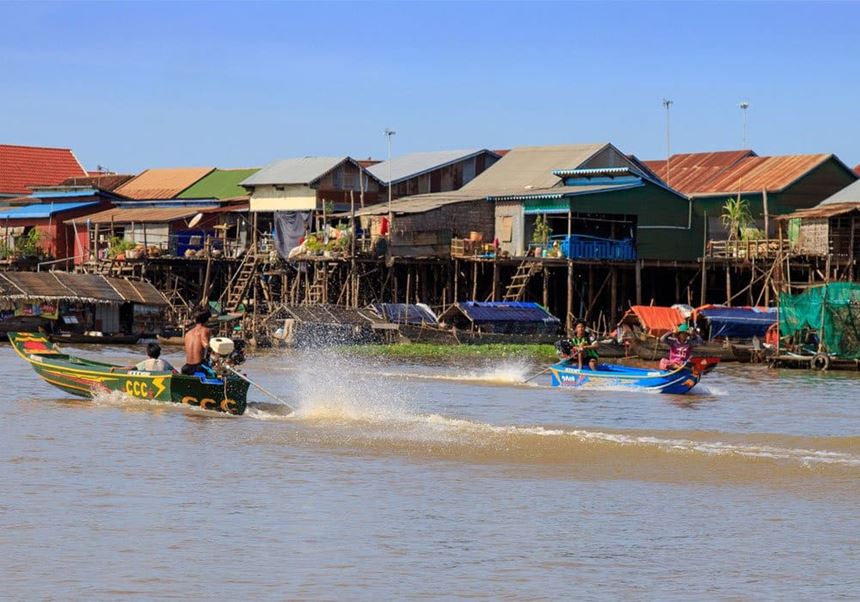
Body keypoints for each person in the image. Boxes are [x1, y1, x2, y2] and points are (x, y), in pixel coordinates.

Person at [182, 308, 212, 375]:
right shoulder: (205, 330)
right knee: (216, 373)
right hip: (199, 368)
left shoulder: (188, 333)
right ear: (207, 320)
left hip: (186, 368)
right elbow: (206, 346)